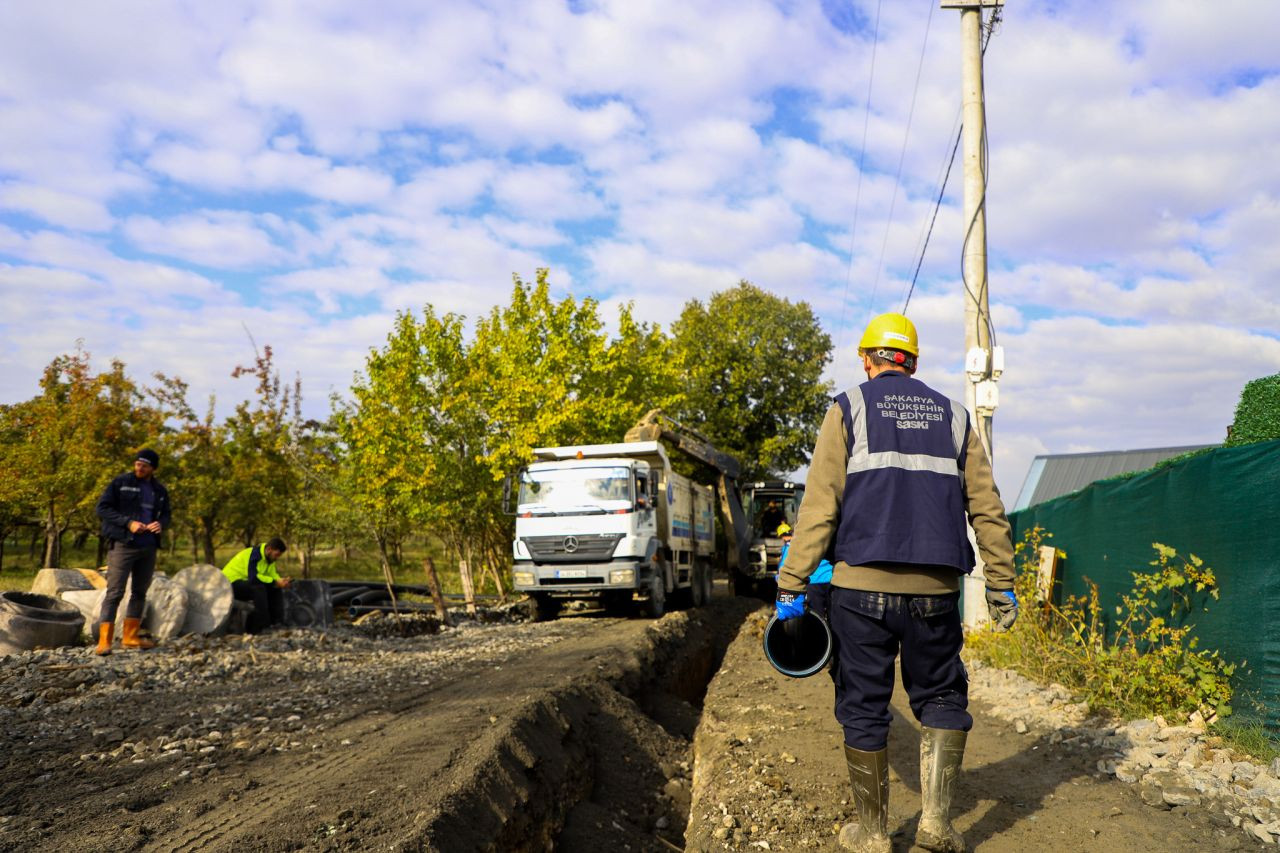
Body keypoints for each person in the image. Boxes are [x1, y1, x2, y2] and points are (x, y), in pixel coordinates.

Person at [774, 313, 1018, 853]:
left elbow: (819, 509)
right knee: (942, 694)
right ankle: (936, 824)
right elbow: (988, 509)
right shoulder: (955, 417)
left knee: (863, 703)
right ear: (912, 362)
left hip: (858, 591)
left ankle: (873, 833)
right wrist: (1000, 582)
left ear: (868, 360)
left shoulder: (849, 408)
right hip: (936, 594)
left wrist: (792, 583)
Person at [93, 448, 172, 655]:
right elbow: (102, 508)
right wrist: (128, 523)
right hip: (123, 544)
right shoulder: (121, 483)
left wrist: (160, 524)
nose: (139, 467)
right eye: (137, 463)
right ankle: (105, 641)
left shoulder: (160, 490)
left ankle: (130, 637)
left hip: (148, 546)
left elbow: (166, 515)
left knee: (140, 592)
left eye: (144, 465)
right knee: (115, 592)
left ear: (153, 468)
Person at [221, 539, 292, 634]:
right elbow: (253, 577)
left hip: (245, 583)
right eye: (277, 555)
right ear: (269, 549)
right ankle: (262, 626)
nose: (277, 558)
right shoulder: (255, 555)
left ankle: (277, 623)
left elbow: (272, 574)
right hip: (229, 584)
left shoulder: (269, 558)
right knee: (259, 589)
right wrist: (274, 582)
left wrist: (280, 581)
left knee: (274, 588)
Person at [776, 522, 832, 620]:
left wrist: (781, 578)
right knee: (834, 618)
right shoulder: (828, 536)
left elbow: (786, 565)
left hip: (813, 582)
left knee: (816, 618)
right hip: (831, 579)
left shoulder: (793, 546)